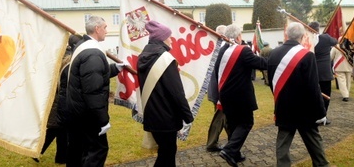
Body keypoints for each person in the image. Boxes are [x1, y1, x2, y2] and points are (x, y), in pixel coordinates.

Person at [268, 22, 329, 167]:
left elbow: (271, 80)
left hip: (283, 104)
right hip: (304, 108)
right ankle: (322, 165)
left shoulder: (274, 53)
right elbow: (313, 86)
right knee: (313, 139)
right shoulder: (307, 55)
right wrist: (321, 112)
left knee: (283, 142)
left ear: (286, 35)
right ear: (303, 37)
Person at [66, 16, 124, 167]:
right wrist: (102, 119)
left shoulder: (84, 47)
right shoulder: (92, 53)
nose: (106, 30)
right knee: (97, 151)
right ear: (97, 29)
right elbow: (93, 90)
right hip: (88, 115)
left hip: (78, 111)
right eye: (104, 27)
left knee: (80, 151)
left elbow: (90, 76)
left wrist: (114, 69)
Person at [137, 20, 193, 167]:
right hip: (167, 116)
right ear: (161, 38)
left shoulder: (143, 55)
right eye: (169, 36)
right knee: (167, 154)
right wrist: (188, 116)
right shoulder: (165, 60)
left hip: (152, 114)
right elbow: (176, 92)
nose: (171, 39)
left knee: (165, 152)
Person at [214, 24, 267, 167]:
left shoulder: (223, 50)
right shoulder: (242, 51)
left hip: (225, 94)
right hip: (241, 96)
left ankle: (235, 155)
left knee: (233, 124)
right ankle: (229, 150)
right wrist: (276, 59)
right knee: (246, 123)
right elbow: (261, 63)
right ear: (238, 36)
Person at [34, 34, 83, 164]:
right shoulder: (69, 59)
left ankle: (60, 157)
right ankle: (37, 151)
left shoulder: (61, 55)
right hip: (59, 100)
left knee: (60, 131)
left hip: (56, 98)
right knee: (57, 130)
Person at [206, 25, 231, 152]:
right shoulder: (222, 49)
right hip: (219, 91)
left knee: (225, 117)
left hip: (215, 90)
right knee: (220, 117)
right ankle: (212, 143)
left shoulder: (214, 47)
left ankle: (232, 141)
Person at [308, 21, 337, 124]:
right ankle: (323, 115)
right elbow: (335, 41)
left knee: (313, 94)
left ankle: (313, 115)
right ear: (318, 28)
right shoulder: (325, 38)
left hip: (311, 72)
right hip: (324, 72)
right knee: (325, 94)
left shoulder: (306, 39)